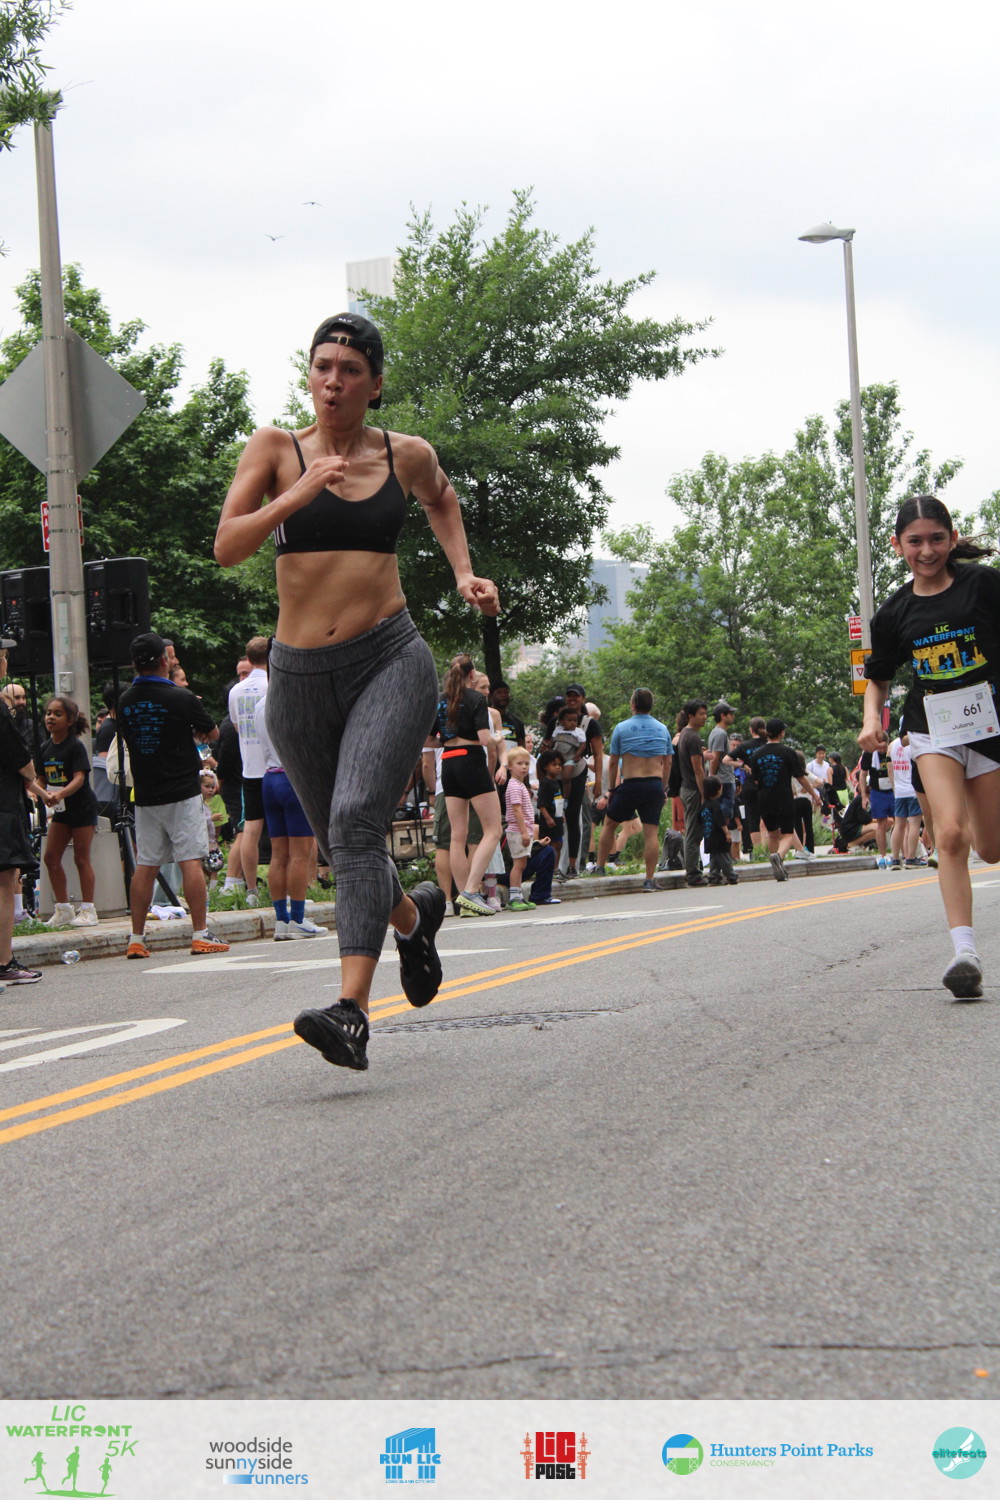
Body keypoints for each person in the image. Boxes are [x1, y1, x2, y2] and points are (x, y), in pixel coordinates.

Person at [214, 311, 499, 1070]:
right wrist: (297, 494)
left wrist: (462, 571)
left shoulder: (406, 454)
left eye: (349, 370)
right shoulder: (276, 449)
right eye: (321, 367)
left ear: (375, 384)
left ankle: (352, 1012)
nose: (332, 381)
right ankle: (413, 919)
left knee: (352, 823)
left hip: (388, 659)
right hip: (298, 675)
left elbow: (442, 498)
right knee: (350, 847)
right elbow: (227, 546)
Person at [860, 494, 1000, 1000]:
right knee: (951, 833)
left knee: (991, 848)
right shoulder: (894, 613)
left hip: (990, 726)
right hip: (931, 729)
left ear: (953, 538)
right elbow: (878, 679)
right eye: (914, 541)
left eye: (937, 539)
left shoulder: (983, 585)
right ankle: (965, 953)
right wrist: (870, 720)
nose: (926, 551)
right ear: (897, 545)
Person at [117, 632, 230, 959]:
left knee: (146, 864)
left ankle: (136, 938)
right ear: (164, 660)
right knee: (190, 859)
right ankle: (200, 933)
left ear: (134, 663)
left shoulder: (125, 701)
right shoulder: (182, 698)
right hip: (181, 791)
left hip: (146, 793)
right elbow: (212, 732)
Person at [254, 694, 328, 940]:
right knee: (299, 854)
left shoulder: (260, 704)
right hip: (293, 777)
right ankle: (297, 918)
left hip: (269, 778)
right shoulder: (297, 700)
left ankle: (281, 920)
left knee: (278, 854)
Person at [593, 688, 672, 891]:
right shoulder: (662, 729)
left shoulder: (622, 728)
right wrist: (663, 788)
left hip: (631, 784)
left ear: (633, 705)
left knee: (610, 823)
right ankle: (649, 879)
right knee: (651, 832)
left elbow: (613, 762)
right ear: (651, 705)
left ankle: (600, 866)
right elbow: (668, 762)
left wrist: (611, 789)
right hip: (653, 784)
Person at [34, 695, 100, 928]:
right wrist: (40, 793)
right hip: (61, 811)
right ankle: (63, 909)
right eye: (48, 713)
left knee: (81, 858)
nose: (50, 717)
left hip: (82, 808)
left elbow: (79, 778)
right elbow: (40, 779)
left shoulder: (75, 747)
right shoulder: (44, 748)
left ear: (70, 720)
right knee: (50, 857)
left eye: (57, 714)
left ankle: (89, 909)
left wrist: (60, 793)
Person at [0, 643, 41, 985]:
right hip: (2, 805)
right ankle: (3, 960)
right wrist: (33, 778)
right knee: (4, 881)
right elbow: (21, 759)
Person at [228, 635, 270, 904]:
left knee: (250, 831)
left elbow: (236, 727)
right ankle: (299, 886)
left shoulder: (236, 691)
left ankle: (251, 890)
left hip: (250, 768)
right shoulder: (273, 685)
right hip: (275, 767)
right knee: (289, 832)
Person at [749, 718, 800, 881]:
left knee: (772, 834)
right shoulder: (788, 752)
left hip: (764, 798)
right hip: (783, 797)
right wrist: (814, 794)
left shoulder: (757, 754)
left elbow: (755, 779)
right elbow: (799, 776)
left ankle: (777, 866)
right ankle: (778, 856)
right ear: (782, 733)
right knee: (788, 834)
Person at [676, 699, 708, 886]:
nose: (705, 717)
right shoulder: (693, 737)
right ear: (690, 716)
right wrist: (704, 794)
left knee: (694, 830)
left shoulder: (685, 734)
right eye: (701, 714)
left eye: (705, 713)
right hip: (693, 789)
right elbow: (698, 769)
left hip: (686, 788)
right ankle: (693, 873)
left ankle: (694, 869)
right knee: (693, 832)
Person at [700, 774, 738, 885]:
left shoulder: (704, 805)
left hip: (708, 835)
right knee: (723, 856)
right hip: (718, 836)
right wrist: (727, 833)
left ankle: (714, 875)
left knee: (714, 857)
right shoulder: (716, 805)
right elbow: (720, 821)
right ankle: (731, 875)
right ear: (717, 790)